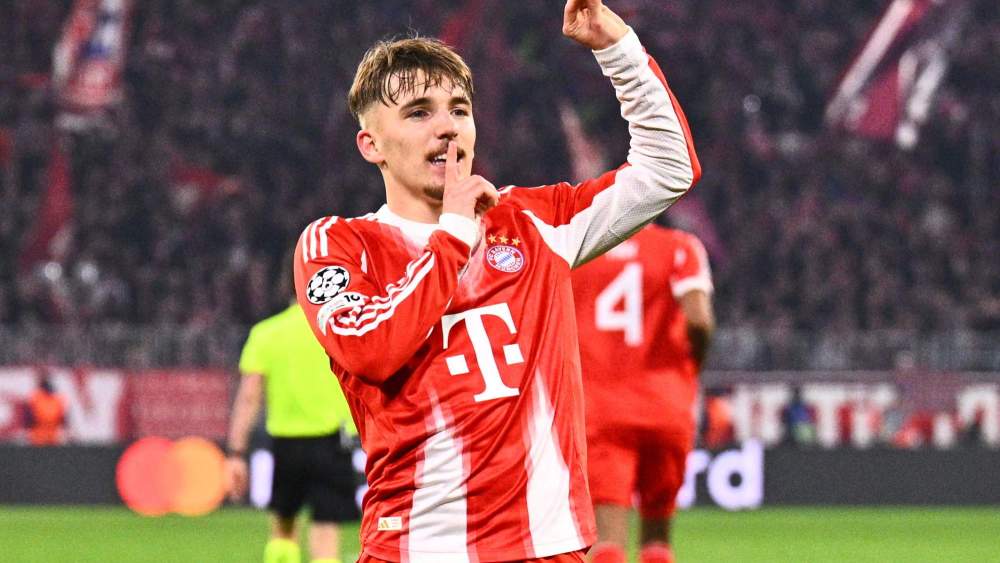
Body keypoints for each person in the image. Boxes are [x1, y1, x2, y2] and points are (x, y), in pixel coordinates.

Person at [293, 1, 701, 561]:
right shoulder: (338, 244)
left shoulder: (533, 222)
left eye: (459, 109)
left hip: (548, 547)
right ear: (372, 146)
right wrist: (456, 231)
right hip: (417, 549)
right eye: (418, 113)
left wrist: (617, 47)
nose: (446, 126)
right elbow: (370, 349)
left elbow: (667, 169)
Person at [571, 224, 715, 563]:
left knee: (606, 537)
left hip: (601, 406)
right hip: (666, 403)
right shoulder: (681, 247)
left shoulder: (579, 249)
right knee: (657, 535)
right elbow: (700, 321)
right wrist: (691, 367)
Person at [226, 262, 359, 563]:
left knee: (283, 530)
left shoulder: (266, 334)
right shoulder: (337, 330)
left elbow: (249, 397)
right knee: (326, 535)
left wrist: (236, 452)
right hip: (332, 443)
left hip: (287, 445)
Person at [24, 372, 67, 446]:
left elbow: (62, 417)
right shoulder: (35, 397)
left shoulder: (57, 399)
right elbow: (29, 417)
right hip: (39, 436)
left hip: (50, 435)